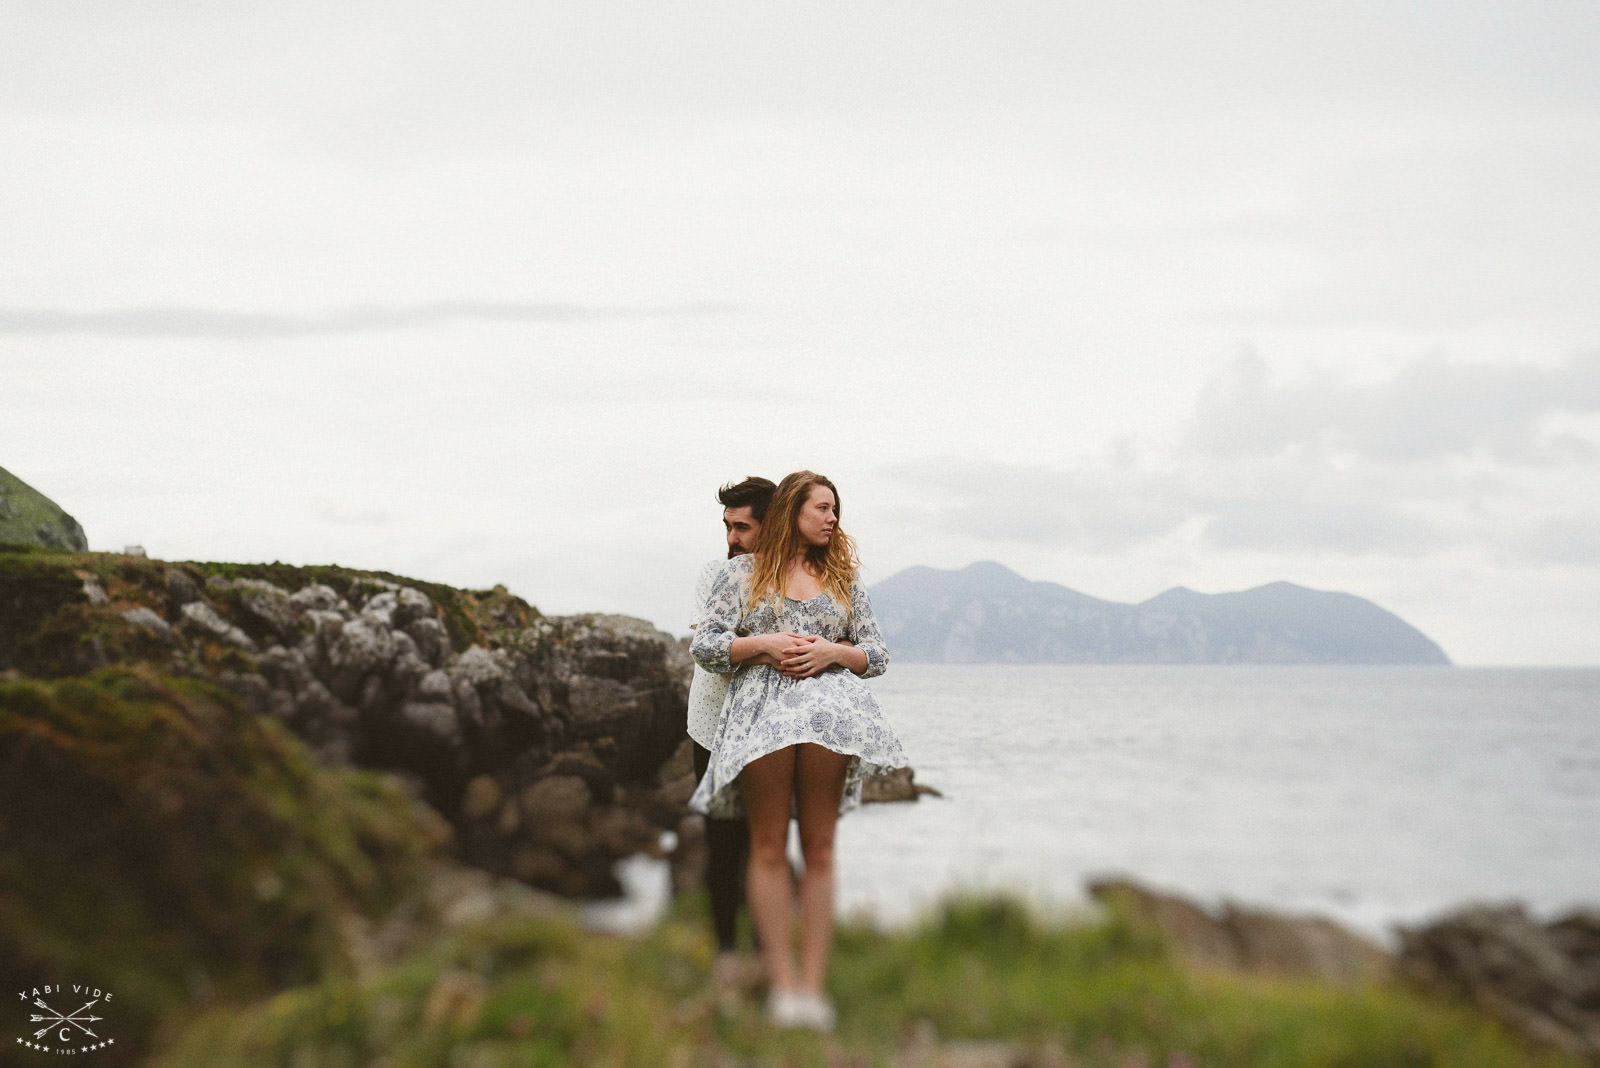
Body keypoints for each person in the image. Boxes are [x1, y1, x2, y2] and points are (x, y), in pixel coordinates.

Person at [689, 470, 910, 1032]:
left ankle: (813, 988)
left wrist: (834, 653)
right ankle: (782, 987)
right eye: (822, 507)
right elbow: (708, 645)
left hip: (829, 722)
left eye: (836, 508)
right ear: (793, 511)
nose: (833, 518)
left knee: (820, 848)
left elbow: (878, 655)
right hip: (761, 716)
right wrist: (762, 645)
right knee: (765, 846)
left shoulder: (842, 577)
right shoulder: (743, 574)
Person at [686, 476, 774, 990]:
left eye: (742, 527)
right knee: (722, 843)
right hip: (711, 729)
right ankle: (725, 956)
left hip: (767, 732)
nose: (732, 538)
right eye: (727, 526)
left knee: (767, 841)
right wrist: (771, 645)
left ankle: (768, 957)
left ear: (771, 525)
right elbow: (714, 654)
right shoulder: (712, 575)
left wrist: (750, 643)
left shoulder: (792, 580)